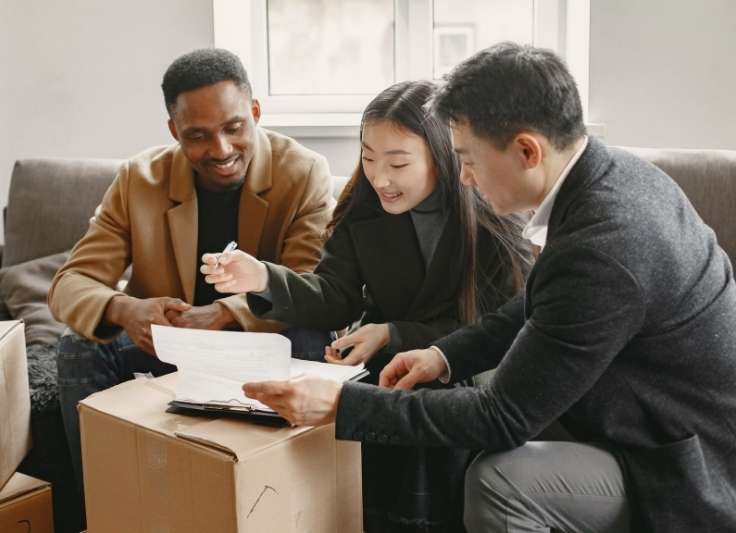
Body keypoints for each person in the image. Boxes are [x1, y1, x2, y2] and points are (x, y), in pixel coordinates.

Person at [212, 43, 736, 533]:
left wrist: (339, 406)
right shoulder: (615, 177)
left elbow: (502, 416)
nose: (463, 176)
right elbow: (537, 305)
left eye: (466, 158)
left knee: (499, 481)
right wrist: (441, 356)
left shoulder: (604, 247)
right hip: (645, 416)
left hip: (685, 459)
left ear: (527, 150)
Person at [202, 80, 532, 532]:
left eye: (397, 163)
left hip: (469, 369)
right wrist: (260, 276)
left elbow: (494, 329)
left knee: (415, 394)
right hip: (385, 363)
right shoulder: (363, 208)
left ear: (442, 155)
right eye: (368, 157)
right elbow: (334, 298)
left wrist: (393, 333)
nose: (379, 178)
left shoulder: (492, 214)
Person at [47, 48, 334, 508]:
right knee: (77, 346)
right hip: (164, 341)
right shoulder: (138, 178)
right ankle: (105, 509)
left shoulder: (303, 172)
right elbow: (70, 282)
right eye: (198, 135)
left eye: (234, 128)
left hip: (258, 338)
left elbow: (305, 284)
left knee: (308, 331)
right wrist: (126, 308)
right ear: (174, 131)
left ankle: (287, 506)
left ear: (255, 112)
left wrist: (224, 313)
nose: (220, 150)